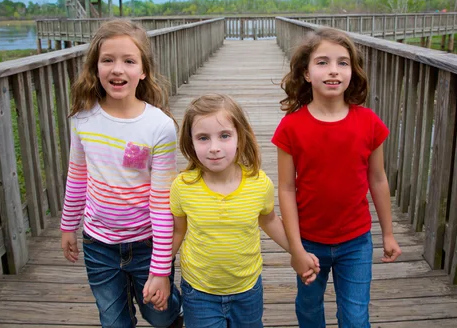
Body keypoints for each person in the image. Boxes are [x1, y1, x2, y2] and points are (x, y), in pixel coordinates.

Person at [272, 27, 402, 328]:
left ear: (352, 73)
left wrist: (389, 233)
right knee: (308, 310)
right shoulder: (291, 127)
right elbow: (287, 189)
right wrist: (296, 249)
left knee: (355, 319)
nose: (333, 71)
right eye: (323, 62)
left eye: (342, 63)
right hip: (309, 240)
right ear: (306, 73)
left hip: (356, 242)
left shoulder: (369, 123)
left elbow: (378, 179)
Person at [60, 19, 183, 328]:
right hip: (98, 243)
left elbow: (161, 201)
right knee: (113, 321)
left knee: (160, 314)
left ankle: (177, 312)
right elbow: (76, 176)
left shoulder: (159, 126)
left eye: (129, 61)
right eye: (108, 60)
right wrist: (67, 226)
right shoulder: (82, 119)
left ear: (143, 71)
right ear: (95, 67)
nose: (117, 69)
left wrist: (160, 269)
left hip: (146, 242)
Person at [170, 93, 319, 328]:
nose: (214, 148)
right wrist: (157, 273)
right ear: (190, 142)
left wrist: (297, 251)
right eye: (203, 138)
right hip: (199, 291)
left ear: (240, 137)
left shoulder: (259, 184)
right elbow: (178, 231)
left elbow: (269, 220)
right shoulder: (183, 186)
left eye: (225, 136)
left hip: (247, 289)